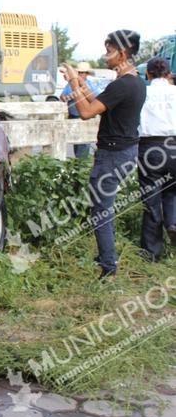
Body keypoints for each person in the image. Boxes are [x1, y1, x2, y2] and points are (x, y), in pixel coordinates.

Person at [62, 29, 145, 278]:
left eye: (109, 51)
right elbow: (99, 104)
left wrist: (75, 83)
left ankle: (108, 267)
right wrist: (83, 84)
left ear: (121, 53)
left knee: (101, 211)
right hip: (125, 151)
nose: (105, 56)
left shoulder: (123, 84)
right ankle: (106, 256)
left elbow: (87, 112)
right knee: (103, 208)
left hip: (112, 156)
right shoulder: (135, 81)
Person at [136, 57, 176, 262]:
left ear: (148, 74)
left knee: (151, 199)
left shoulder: (143, 92)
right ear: (168, 74)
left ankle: (152, 253)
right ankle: (173, 221)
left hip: (151, 147)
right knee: (172, 191)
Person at [60, 62, 106, 158]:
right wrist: (70, 96)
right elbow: (63, 97)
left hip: (86, 118)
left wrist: (82, 93)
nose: (80, 74)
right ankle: (79, 164)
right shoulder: (70, 84)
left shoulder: (91, 85)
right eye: (79, 72)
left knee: (84, 144)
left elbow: (97, 99)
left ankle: (81, 163)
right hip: (73, 117)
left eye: (82, 73)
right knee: (77, 143)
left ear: (87, 74)